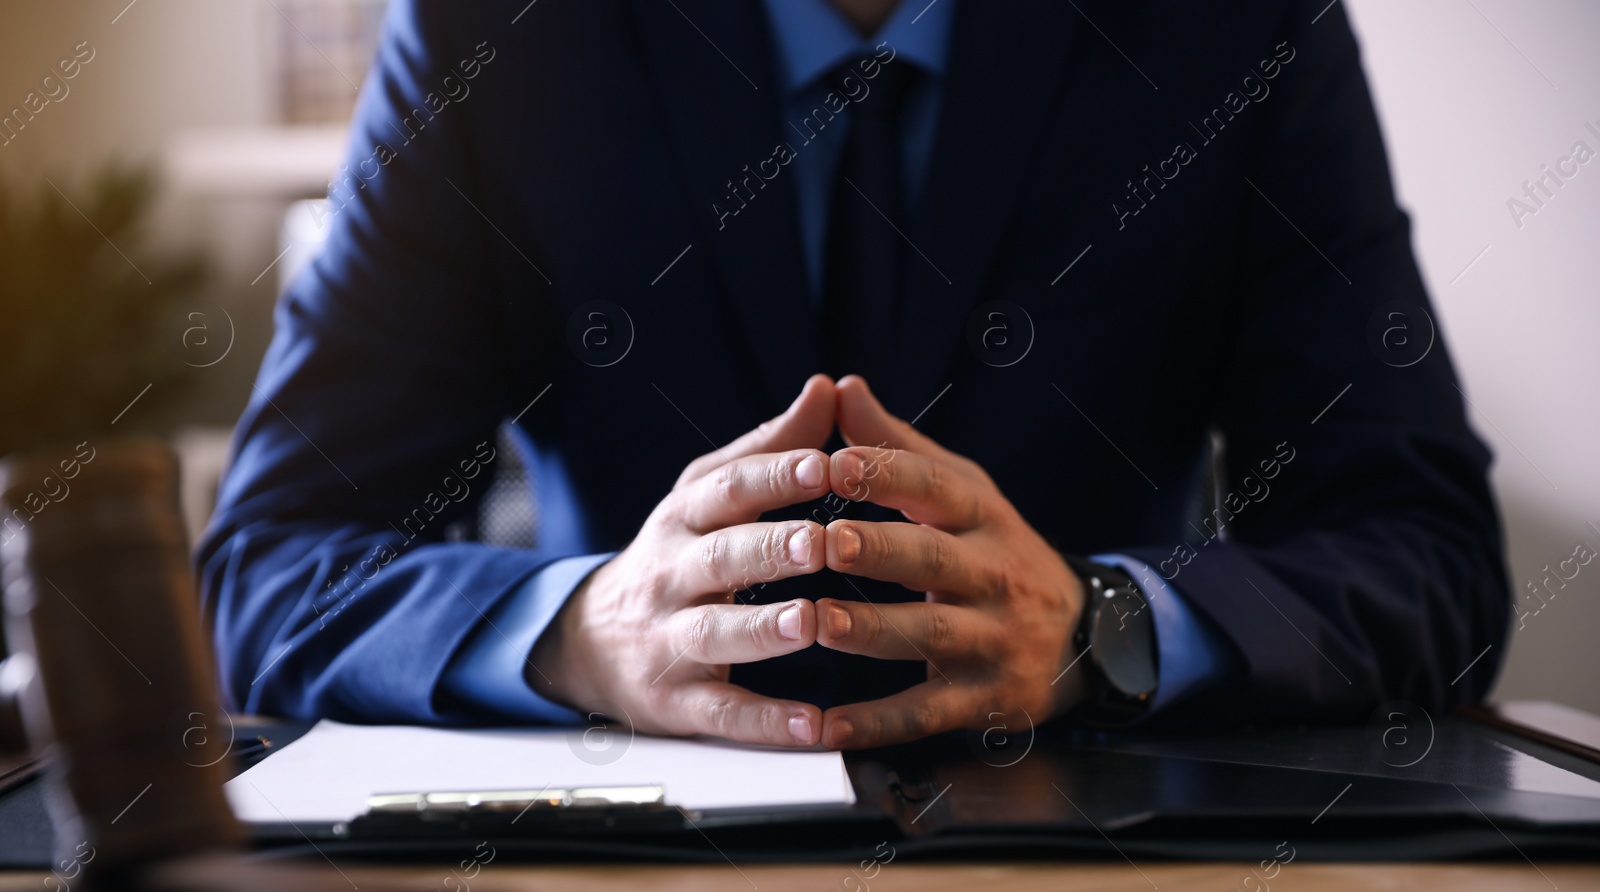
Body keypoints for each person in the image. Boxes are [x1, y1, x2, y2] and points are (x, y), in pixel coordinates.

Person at [199, 0, 1509, 749]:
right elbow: (272, 562)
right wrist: (577, 636)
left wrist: (1107, 628)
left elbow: (1432, 551)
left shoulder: (1242, 28)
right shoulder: (493, 34)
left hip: (1106, 884)